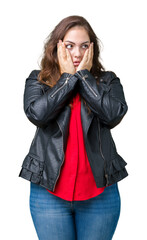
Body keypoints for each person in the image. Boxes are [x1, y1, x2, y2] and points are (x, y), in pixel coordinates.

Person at [19, 15, 128, 240]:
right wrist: (68, 78)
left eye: (83, 46)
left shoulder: (108, 81)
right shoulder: (38, 81)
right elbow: (37, 114)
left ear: (92, 49)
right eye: (69, 46)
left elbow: (113, 115)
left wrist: (84, 78)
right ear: (57, 47)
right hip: (49, 193)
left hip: (100, 194)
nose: (77, 54)